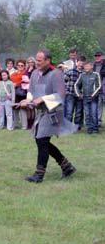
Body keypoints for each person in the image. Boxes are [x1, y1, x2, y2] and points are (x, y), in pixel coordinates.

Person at [21, 50, 77, 183]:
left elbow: (60, 95)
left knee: (41, 140)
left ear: (48, 60)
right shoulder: (34, 73)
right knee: (41, 140)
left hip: (53, 111)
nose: (37, 62)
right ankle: (66, 166)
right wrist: (27, 100)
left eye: (40, 60)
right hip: (41, 112)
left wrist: (42, 99)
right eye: (36, 59)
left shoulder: (56, 74)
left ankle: (39, 174)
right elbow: (31, 91)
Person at [74, 61, 102, 134]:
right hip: (85, 98)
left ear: (91, 67)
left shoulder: (96, 74)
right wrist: (79, 94)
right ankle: (89, 128)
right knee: (87, 114)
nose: (86, 67)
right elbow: (76, 85)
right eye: (85, 66)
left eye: (88, 66)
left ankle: (95, 129)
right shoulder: (82, 75)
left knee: (93, 113)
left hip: (94, 98)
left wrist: (93, 95)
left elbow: (99, 86)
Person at [63, 57, 84, 130]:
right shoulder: (71, 71)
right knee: (69, 111)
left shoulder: (84, 73)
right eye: (79, 62)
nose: (81, 64)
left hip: (79, 95)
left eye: (82, 63)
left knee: (78, 112)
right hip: (70, 94)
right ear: (76, 62)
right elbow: (64, 80)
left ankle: (76, 127)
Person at [10, 59, 28, 129]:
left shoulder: (26, 73)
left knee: (23, 109)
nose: (20, 66)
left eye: (22, 65)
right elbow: (11, 82)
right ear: (16, 66)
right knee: (15, 109)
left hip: (23, 93)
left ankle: (24, 126)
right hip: (14, 94)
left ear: (24, 66)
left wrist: (17, 84)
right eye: (19, 65)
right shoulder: (13, 74)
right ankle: (16, 124)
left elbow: (25, 81)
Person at [92, 51, 105, 127]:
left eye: (98, 56)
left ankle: (98, 121)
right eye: (96, 56)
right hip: (93, 88)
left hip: (101, 88)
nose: (97, 57)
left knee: (100, 105)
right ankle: (93, 121)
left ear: (102, 56)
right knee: (93, 105)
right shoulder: (92, 65)